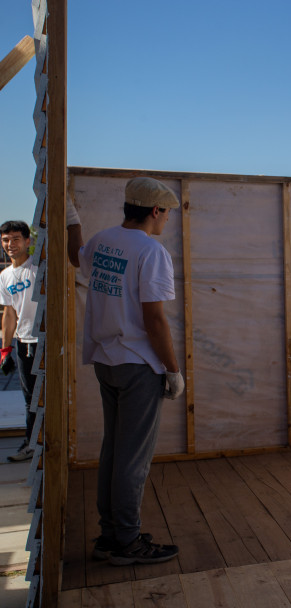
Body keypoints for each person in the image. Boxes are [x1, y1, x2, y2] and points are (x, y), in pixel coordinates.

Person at [67, 177, 185, 566]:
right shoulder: (151, 252)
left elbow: (75, 255)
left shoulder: (102, 241)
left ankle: (110, 534)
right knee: (133, 458)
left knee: (114, 451)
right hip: (138, 366)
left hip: (106, 361)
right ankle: (128, 542)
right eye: (166, 212)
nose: (167, 220)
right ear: (155, 211)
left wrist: (71, 219)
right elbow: (154, 320)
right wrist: (172, 370)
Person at [0, 221, 39, 462]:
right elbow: (9, 314)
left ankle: (51, 443)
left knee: (49, 394)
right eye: (5, 240)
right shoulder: (5, 276)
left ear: (28, 241)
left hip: (44, 340)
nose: (10, 244)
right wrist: (5, 350)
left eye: (15, 239)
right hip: (23, 341)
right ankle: (32, 444)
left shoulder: (39, 269)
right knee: (30, 398)